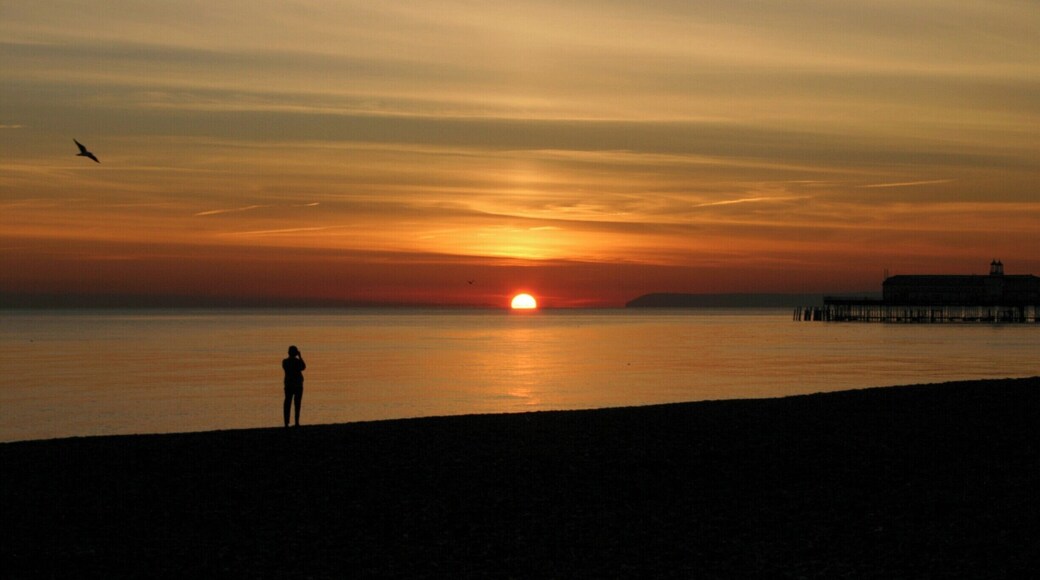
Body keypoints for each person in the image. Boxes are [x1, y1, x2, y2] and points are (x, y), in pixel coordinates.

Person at [282, 345, 306, 427]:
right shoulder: (296, 361)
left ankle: (286, 423)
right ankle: (296, 422)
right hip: (297, 385)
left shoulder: (285, 362)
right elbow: (303, 367)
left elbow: (303, 367)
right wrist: (300, 357)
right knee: (297, 404)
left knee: (287, 403)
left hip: (289, 385)